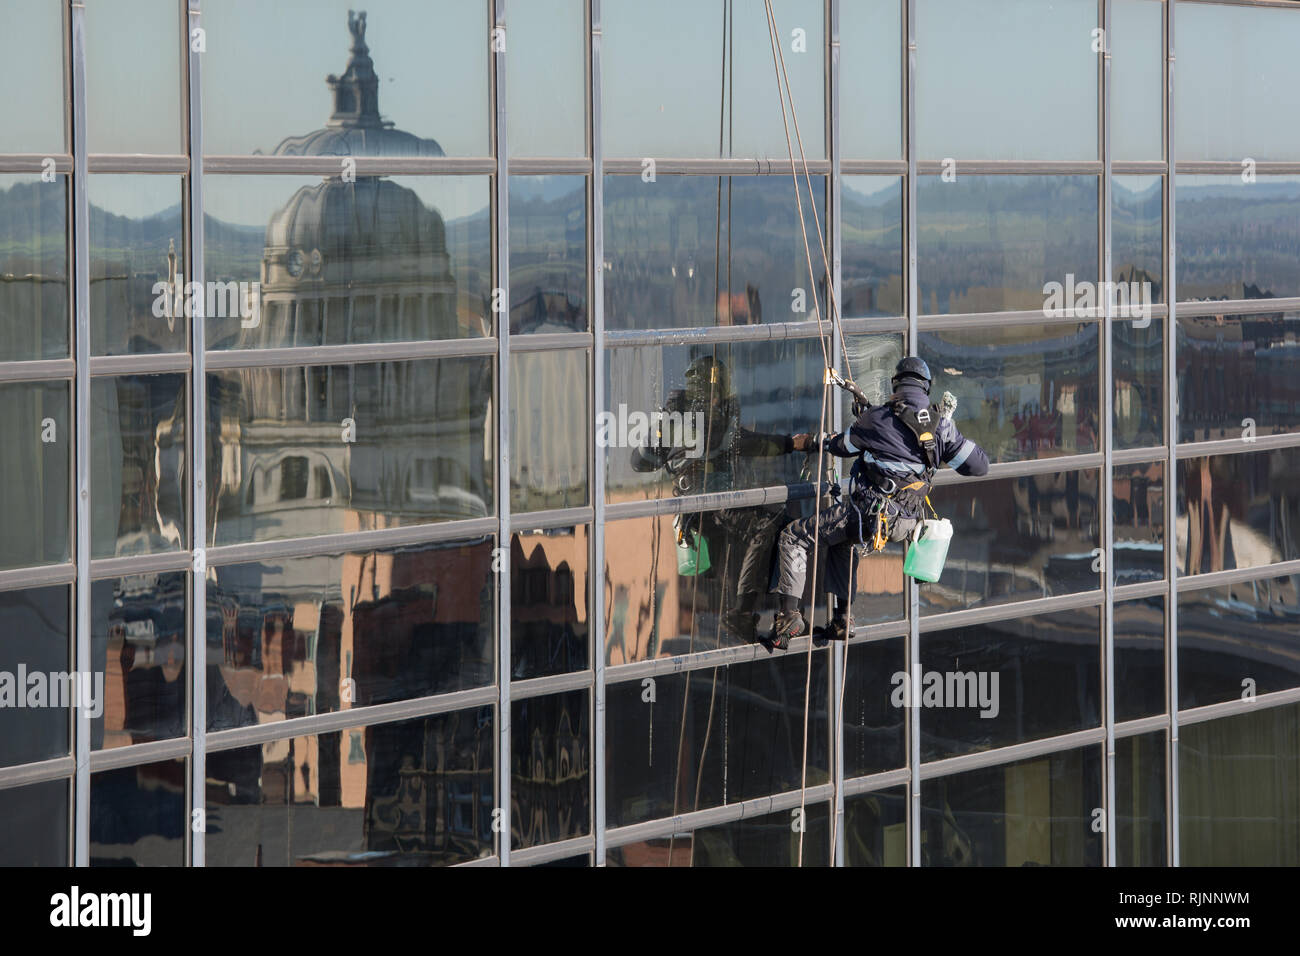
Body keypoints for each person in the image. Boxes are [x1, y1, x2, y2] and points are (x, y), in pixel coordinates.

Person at [768, 356, 990, 649]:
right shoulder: (939, 426)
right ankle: (843, 619)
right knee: (843, 542)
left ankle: (789, 617)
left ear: (895, 384)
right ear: (926, 387)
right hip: (906, 525)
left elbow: (841, 445)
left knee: (794, 537)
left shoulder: (878, 418)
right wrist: (948, 431)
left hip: (869, 516)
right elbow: (979, 466)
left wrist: (809, 442)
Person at [630, 355, 814, 644]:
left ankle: (778, 611)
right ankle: (745, 612)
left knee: (784, 527)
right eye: (717, 394)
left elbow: (643, 462)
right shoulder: (697, 419)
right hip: (708, 507)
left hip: (710, 505)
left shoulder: (683, 418)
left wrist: (663, 428)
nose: (720, 401)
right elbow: (743, 442)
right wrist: (790, 444)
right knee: (769, 524)